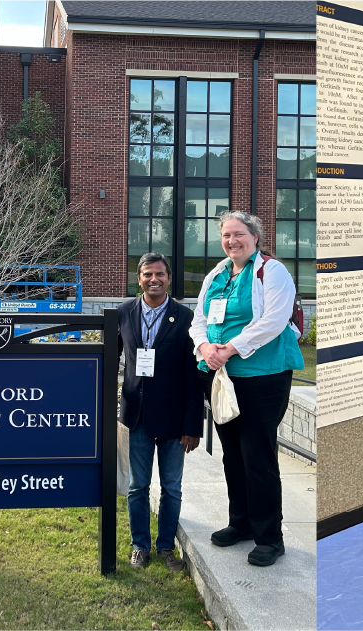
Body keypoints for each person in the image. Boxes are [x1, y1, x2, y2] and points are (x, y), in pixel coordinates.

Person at [189, 211, 305, 567]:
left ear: (255, 237)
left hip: (262, 376)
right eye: (226, 235)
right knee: (233, 455)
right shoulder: (217, 274)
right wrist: (205, 348)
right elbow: (200, 319)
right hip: (222, 376)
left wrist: (230, 348)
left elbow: (272, 320)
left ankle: (270, 537)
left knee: (258, 455)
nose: (231, 241)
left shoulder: (272, 271)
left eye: (239, 234)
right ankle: (241, 524)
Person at [117, 252, 203, 571]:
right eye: (147, 274)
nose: (154, 279)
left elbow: (194, 377)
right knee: (138, 485)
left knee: (172, 487)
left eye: (160, 275)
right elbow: (108, 358)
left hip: (175, 421)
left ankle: (166, 546)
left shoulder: (186, 318)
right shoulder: (124, 313)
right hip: (136, 417)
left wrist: (193, 425)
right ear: (138, 278)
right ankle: (140, 545)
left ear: (169, 278)